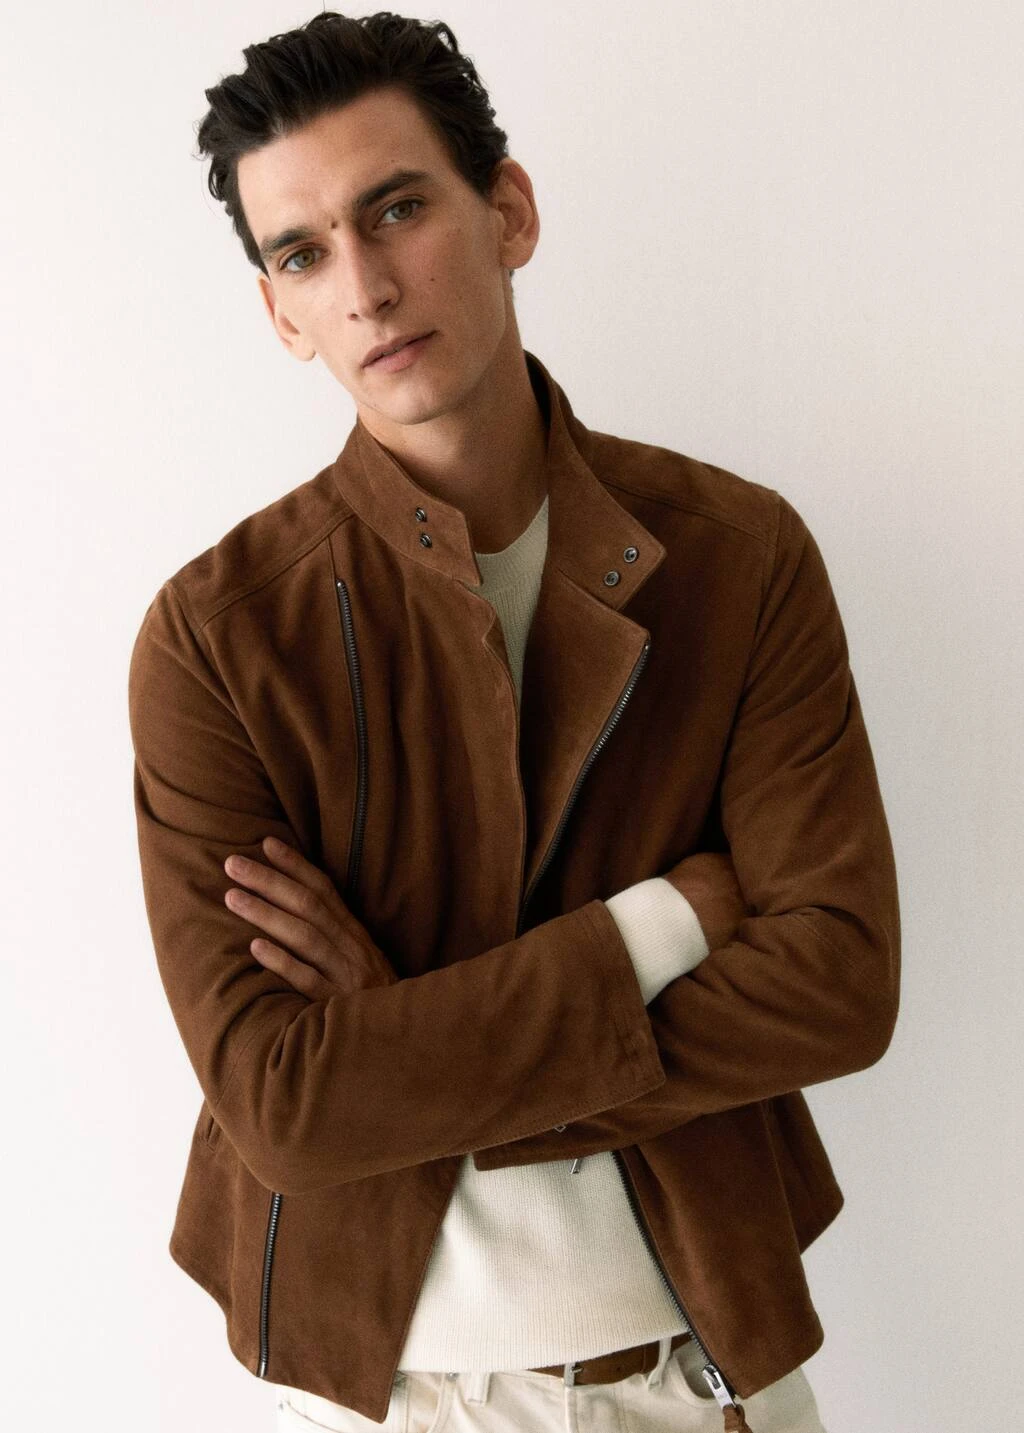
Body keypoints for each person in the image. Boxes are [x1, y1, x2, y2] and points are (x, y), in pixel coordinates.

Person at [127, 12, 900, 1433]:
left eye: (397, 209)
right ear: (281, 315)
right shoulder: (217, 638)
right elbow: (286, 1107)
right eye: (302, 254)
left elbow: (839, 984)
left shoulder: (739, 559)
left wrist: (399, 1045)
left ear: (510, 212)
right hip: (382, 1402)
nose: (365, 286)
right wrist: (663, 926)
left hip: (701, 1382)